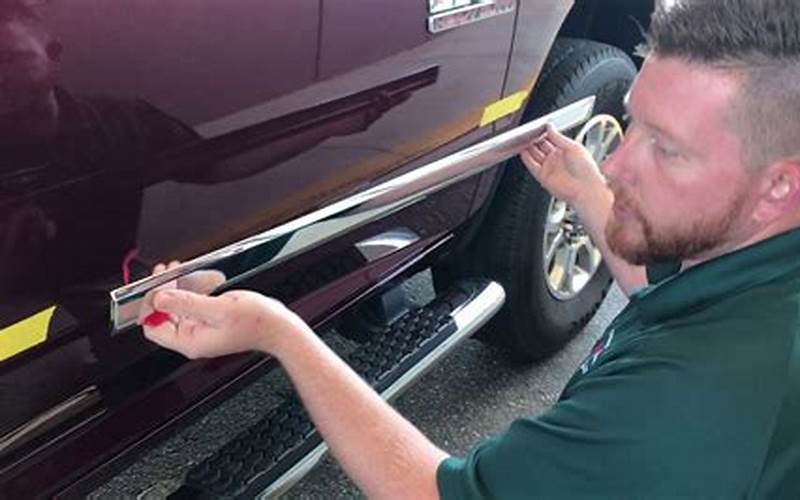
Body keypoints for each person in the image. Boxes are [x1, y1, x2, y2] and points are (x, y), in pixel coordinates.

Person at [139, 0, 800, 498]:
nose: (620, 164)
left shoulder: (684, 410)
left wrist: (277, 330)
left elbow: (431, 490)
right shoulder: (759, 268)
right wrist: (586, 194)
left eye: (667, 148)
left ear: (779, 186)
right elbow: (663, 287)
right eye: (632, 122)